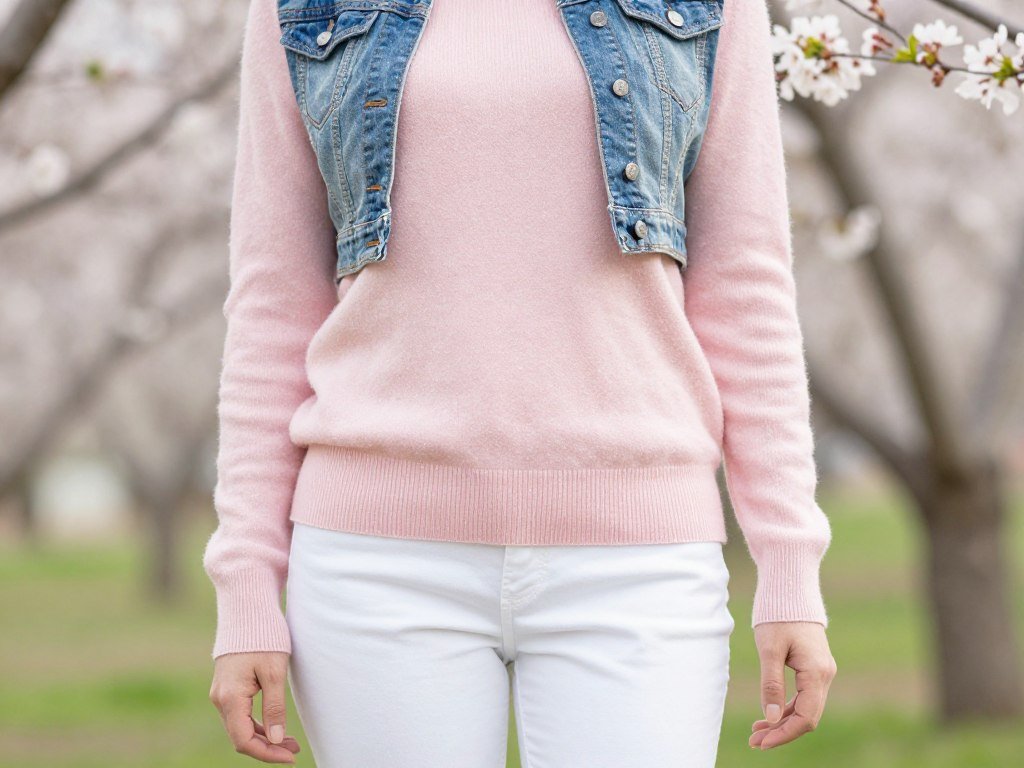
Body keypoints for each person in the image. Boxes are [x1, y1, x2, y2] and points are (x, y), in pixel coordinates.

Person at [203, 0, 839, 765]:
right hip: (374, 564)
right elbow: (273, 302)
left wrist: (789, 564)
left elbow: (747, 289)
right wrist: (245, 587)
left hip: (639, 560)